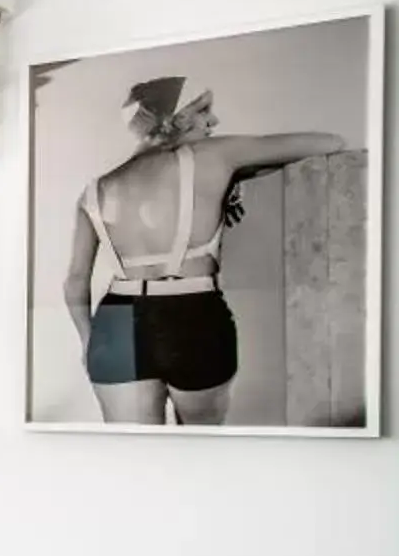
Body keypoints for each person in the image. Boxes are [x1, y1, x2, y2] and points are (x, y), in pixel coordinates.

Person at [63, 76, 341, 426]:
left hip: (115, 321)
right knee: (201, 450)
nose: (213, 121)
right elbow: (330, 142)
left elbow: (75, 282)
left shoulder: (95, 189)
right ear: (174, 120)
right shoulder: (214, 156)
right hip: (191, 312)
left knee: (132, 457)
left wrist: (89, 342)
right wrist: (235, 174)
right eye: (203, 110)